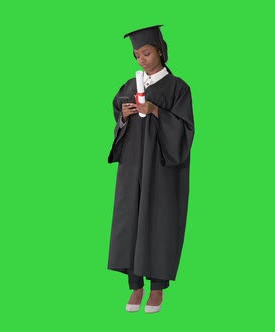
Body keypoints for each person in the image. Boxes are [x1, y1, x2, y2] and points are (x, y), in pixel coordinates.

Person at [107, 25, 194, 314]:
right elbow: (117, 115)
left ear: (160, 49)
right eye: (136, 55)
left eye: (146, 52)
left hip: (161, 167)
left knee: (159, 220)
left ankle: (157, 288)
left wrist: (157, 111)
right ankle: (135, 286)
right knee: (130, 218)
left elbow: (185, 130)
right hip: (133, 165)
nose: (141, 59)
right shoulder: (130, 86)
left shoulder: (178, 87)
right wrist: (124, 114)